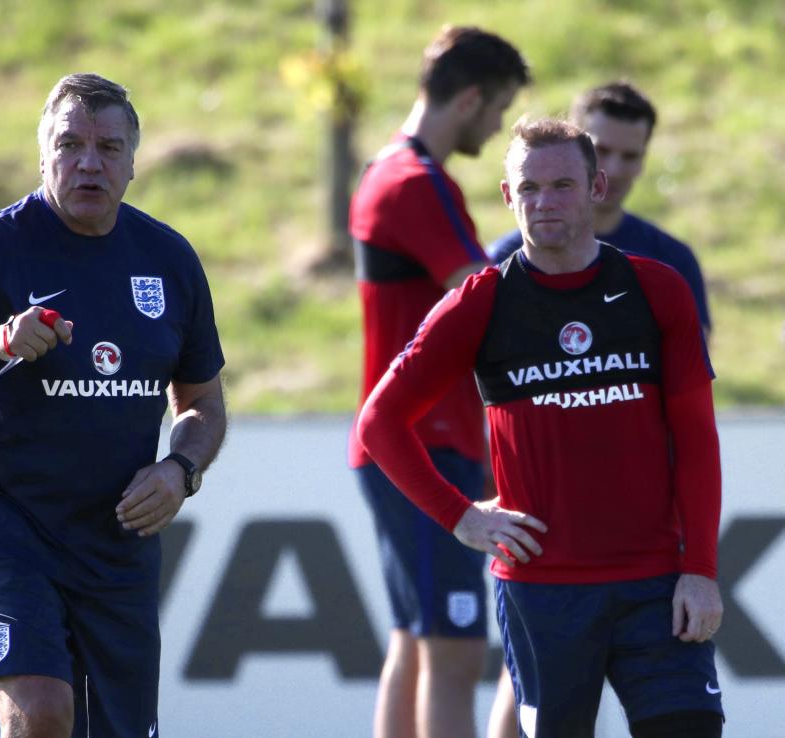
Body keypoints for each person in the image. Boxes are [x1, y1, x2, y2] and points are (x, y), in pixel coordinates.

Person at [0, 73, 227, 738]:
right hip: (9, 529)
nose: (89, 161)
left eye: (107, 146)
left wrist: (179, 470)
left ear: (132, 163)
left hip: (116, 542)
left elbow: (203, 402)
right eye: (70, 144)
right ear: (44, 156)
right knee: (42, 711)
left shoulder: (170, 260)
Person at [357, 118, 724, 738]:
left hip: (657, 584)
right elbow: (380, 422)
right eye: (528, 188)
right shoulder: (480, 301)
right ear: (507, 196)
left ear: (597, 188)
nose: (544, 202)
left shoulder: (656, 289)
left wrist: (702, 569)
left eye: (562, 185)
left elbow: (696, 440)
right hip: (544, 591)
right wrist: (462, 517)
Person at [485, 82, 713, 738]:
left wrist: (694, 551)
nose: (619, 164)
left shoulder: (667, 265)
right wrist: (478, 508)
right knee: (527, 690)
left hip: (648, 537)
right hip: (543, 535)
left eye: (630, 155)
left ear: (603, 178)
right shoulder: (506, 264)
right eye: (604, 144)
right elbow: (478, 398)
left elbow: (693, 401)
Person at [348, 25, 530, 738]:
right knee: (453, 654)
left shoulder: (385, 169)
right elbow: (481, 299)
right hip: (424, 442)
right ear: (472, 98)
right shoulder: (417, 182)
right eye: (498, 109)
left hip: (406, 442)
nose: (495, 125)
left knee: (416, 646)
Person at [487, 81, 711, 338]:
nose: (613, 170)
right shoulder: (501, 262)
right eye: (600, 151)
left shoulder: (670, 259)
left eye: (630, 156)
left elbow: (693, 364)